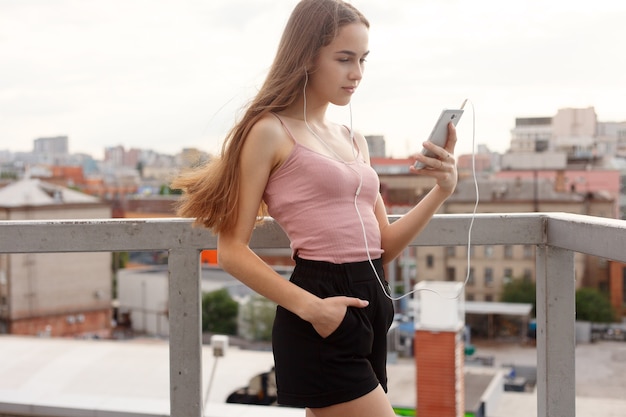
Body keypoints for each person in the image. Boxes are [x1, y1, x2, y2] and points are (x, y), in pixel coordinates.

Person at [172, 0, 458, 416]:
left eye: (362, 60)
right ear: (306, 57)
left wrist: (440, 191)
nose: (357, 73)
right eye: (344, 59)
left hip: (371, 310)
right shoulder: (270, 132)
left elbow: (384, 245)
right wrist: (316, 310)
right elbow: (231, 250)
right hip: (321, 311)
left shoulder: (352, 139)